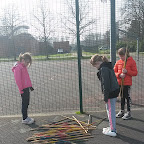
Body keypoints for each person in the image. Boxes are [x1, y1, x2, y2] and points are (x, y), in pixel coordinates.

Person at [90, 54, 119, 137]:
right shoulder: (107, 66)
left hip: (111, 92)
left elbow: (105, 84)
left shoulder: (104, 69)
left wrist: (105, 96)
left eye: (95, 65)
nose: (96, 67)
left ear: (97, 62)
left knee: (110, 111)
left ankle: (113, 130)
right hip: (114, 90)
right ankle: (111, 127)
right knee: (110, 110)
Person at [114, 48, 138, 120]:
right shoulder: (118, 62)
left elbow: (135, 73)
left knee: (127, 97)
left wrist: (127, 71)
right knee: (122, 97)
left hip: (127, 83)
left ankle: (128, 112)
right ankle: (122, 110)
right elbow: (114, 72)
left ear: (126, 54)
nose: (121, 57)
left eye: (122, 56)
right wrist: (119, 75)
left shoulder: (131, 61)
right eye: (120, 56)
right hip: (120, 83)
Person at [12, 52, 35, 124]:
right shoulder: (18, 68)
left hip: (26, 87)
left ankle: (26, 117)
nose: (28, 64)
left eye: (29, 63)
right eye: (27, 62)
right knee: (24, 103)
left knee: (27, 102)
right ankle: (24, 118)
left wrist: (30, 86)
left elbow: (26, 78)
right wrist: (21, 90)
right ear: (22, 60)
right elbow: (18, 80)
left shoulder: (23, 67)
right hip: (23, 89)